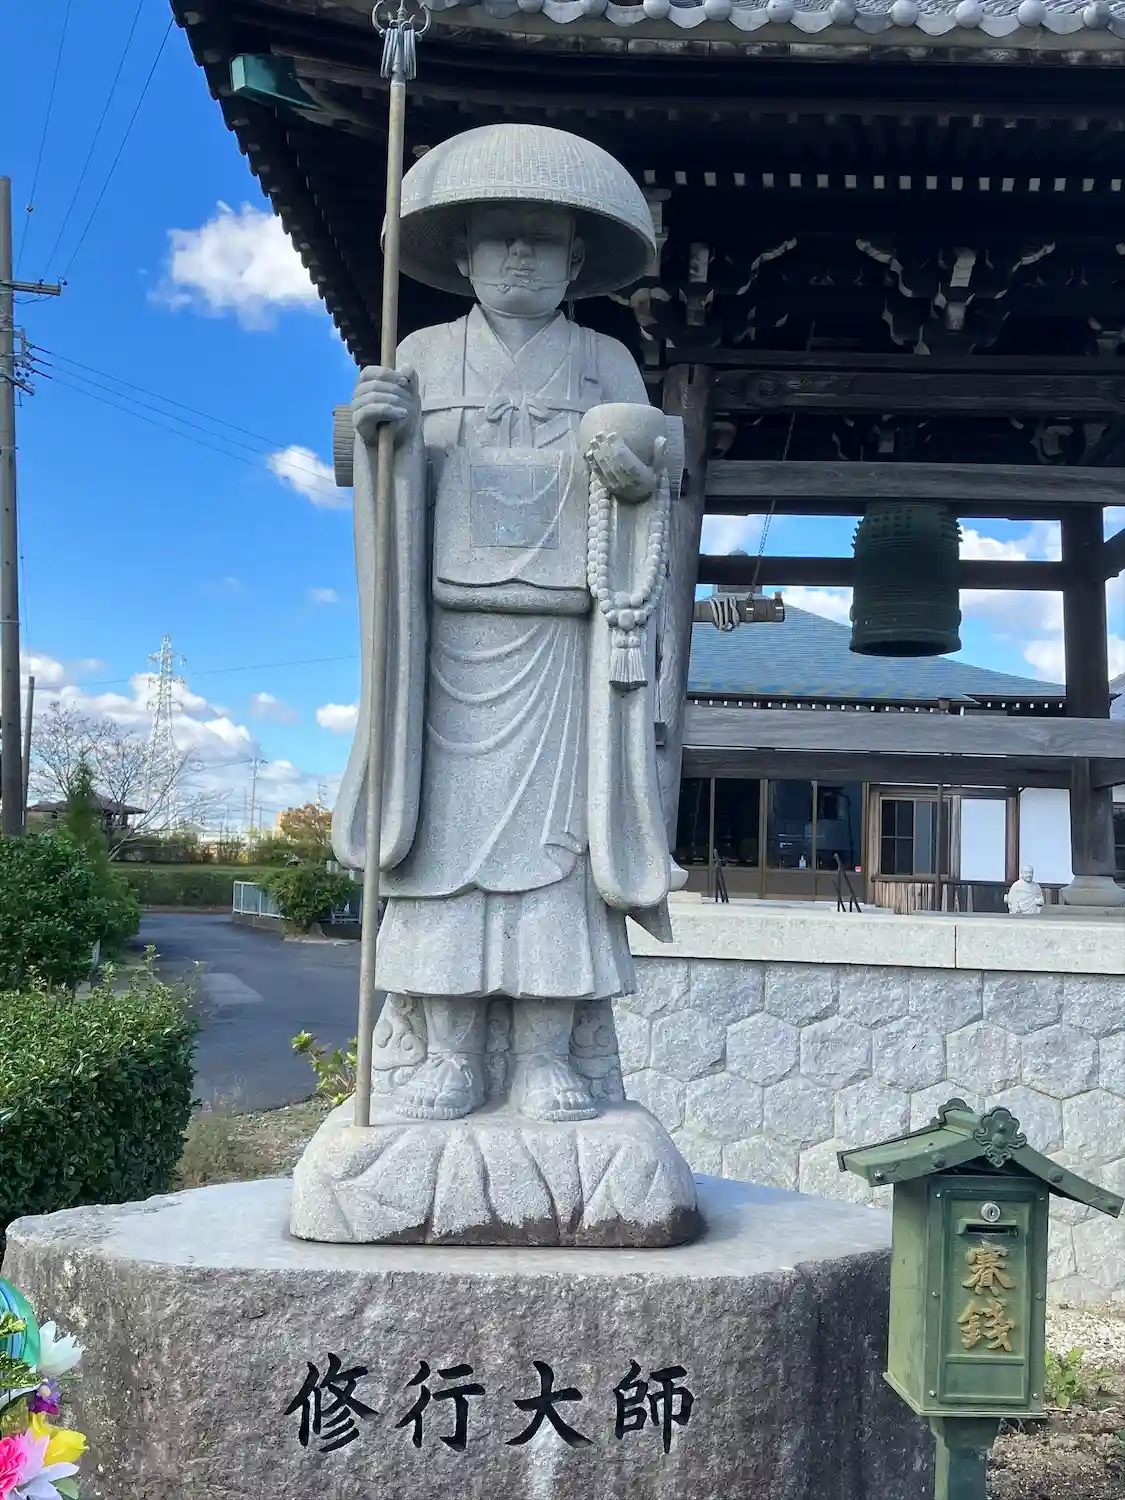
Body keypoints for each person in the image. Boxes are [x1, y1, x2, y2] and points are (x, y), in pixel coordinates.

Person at [332, 125, 675, 1125]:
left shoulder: (603, 361)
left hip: (564, 644)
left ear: (576, 258)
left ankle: (545, 1057)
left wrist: (632, 467)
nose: (520, 255)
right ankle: (446, 1052)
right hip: (447, 644)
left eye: (543, 239)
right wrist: (382, 433)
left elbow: (656, 468)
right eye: (499, 237)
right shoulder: (422, 355)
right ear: (461, 254)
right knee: (443, 856)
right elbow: (375, 474)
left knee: (559, 862)